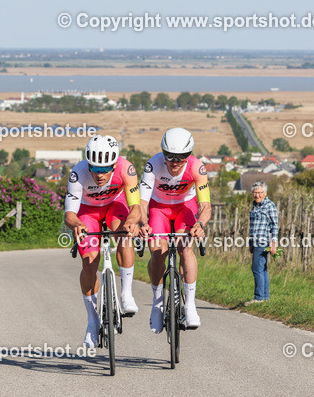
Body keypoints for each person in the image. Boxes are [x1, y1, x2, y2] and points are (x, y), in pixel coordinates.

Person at [64, 135, 142, 347]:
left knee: (124, 236)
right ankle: (92, 320)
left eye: (105, 169)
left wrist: (133, 222)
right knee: (89, 262)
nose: (99, 175)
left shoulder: (126, 169)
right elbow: (69, 215)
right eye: (95, 169)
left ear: (114, 164)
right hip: (88, 211)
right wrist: (77, 225)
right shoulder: (78, 174)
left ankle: (126, 294)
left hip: (114, 205)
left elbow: (135, 208)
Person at [140, 127, 211, 332]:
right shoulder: (153, 165)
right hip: (159, 209)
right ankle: (157, 303)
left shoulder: (197, 168)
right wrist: (143, 223)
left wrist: (200, 224)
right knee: (157, 253)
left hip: (184, 208)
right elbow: (143, 201)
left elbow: (205, 205)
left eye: (181, 157)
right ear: (163, 152)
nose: (174, 161)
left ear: (189, 155)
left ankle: (190, 305)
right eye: (169, 156)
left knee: (186, 249)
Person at [246, 181, 278, 304]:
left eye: (259, 193)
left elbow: (274, 226)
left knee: (257, 268)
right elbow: (252, 227)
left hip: (263, 241)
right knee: (262, 268)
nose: (257, 195)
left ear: (265, 193)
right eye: (255, 193)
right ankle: (264, 297)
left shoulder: (269, 206)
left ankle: (259, 297)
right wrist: (251, 243)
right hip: (256, 242)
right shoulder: (255, 206)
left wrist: (273, 243)